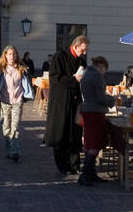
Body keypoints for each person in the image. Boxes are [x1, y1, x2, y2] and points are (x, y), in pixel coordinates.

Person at [45, 35, 88, 175]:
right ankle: (63, 165)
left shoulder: (81, 61)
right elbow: (56, 78)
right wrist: (74, 79)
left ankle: (75, 164)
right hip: (61, 102)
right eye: (83, 50)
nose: (85, 53)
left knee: (75, 133)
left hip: (75, 102)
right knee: (61, 133)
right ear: (75, 46)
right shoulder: (60, 57)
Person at [77, 57, 118, 186]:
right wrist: (113, 100)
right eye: (105, 69)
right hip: (95, 112)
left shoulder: (87, 74)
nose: (105, 71)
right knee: (94, 144)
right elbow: (100, 97)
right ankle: (84, 175)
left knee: (91, 143)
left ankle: (91, 174)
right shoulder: (97, 76)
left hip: (88, 110)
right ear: (101, 66)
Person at [0, 45, 30, 162]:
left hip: (18, 101)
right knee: (6, 128)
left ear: (16, 55)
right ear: (5, 56)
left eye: (14, 54)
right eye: (9, 54)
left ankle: (15, 151)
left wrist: (26, 95)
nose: (12, 56)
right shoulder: (1, 70)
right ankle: (9, 149)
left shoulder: (21, 69)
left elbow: (26, 84)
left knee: (15, 127)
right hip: (4, 102)